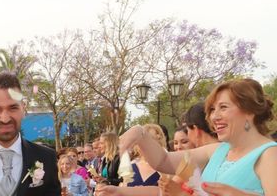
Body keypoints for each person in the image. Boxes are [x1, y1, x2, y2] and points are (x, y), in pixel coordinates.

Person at [119, 78, 277, 195]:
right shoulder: (217, 151)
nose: (214, 117)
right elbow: (163, 161)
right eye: (213, 109)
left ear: (249, 112)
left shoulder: (270, 155)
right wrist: (139, 133)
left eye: (223, 107)